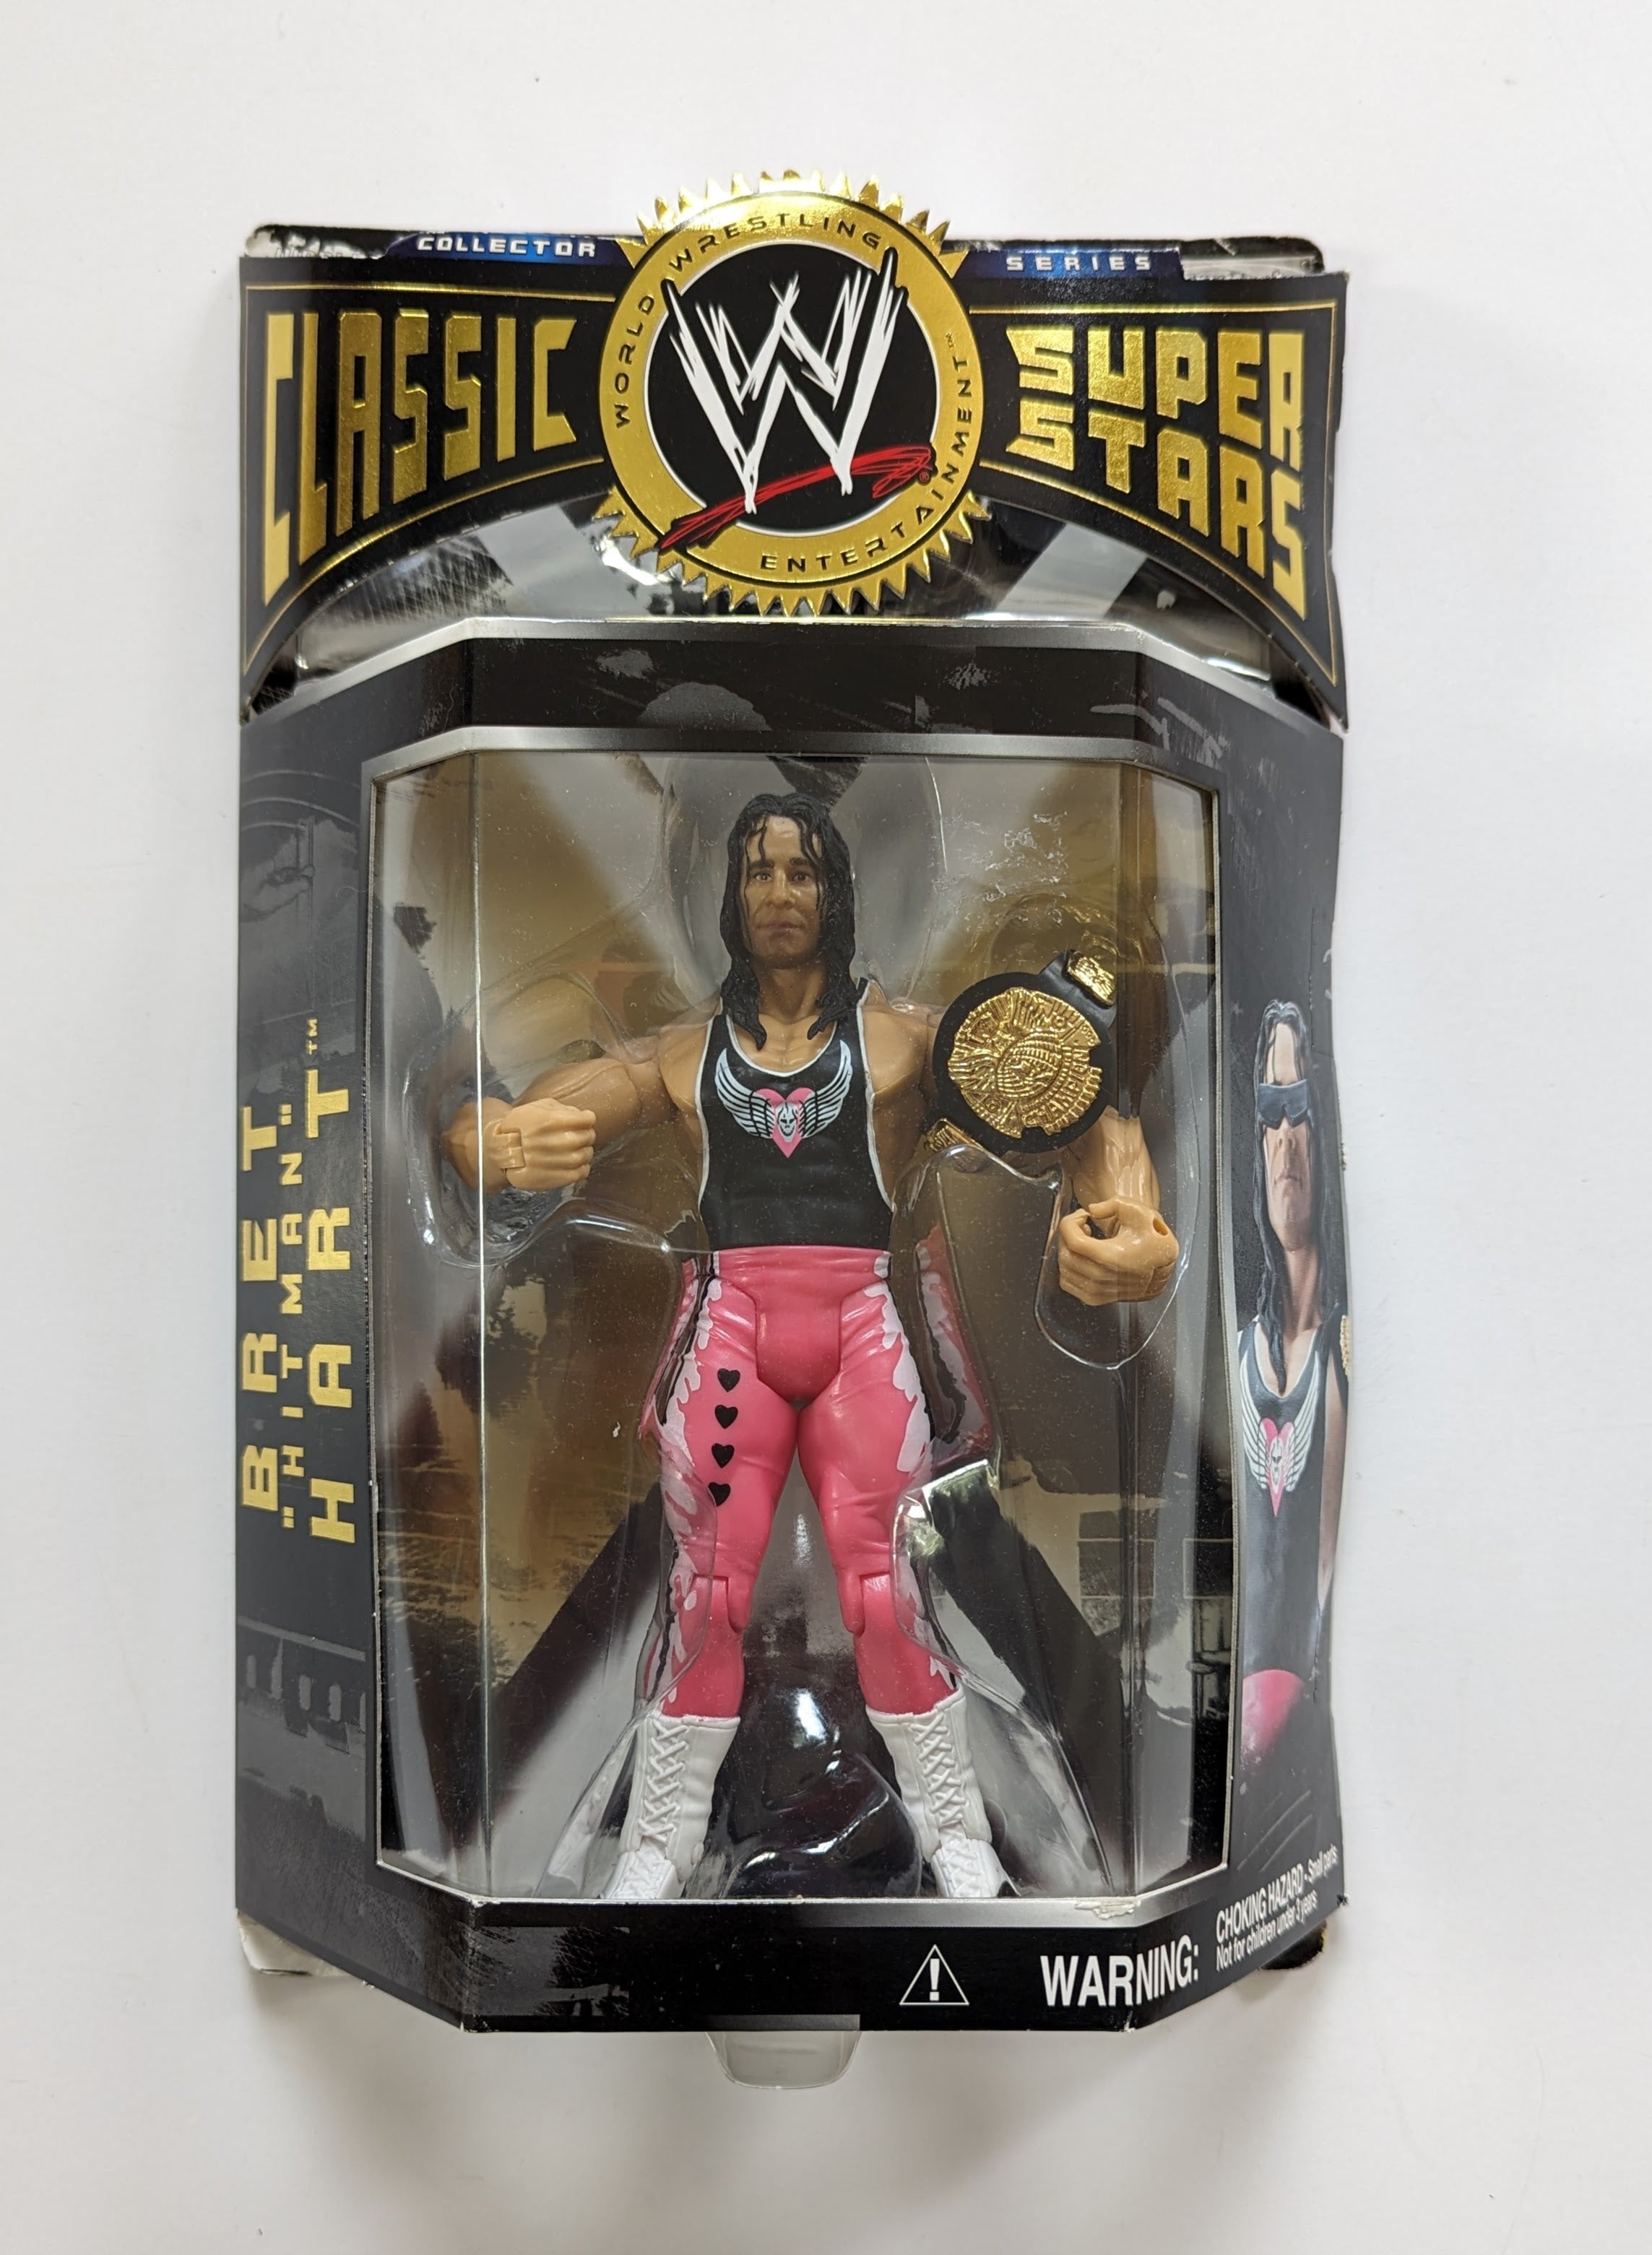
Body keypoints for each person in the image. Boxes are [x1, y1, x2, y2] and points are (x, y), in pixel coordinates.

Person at [446, 791, 1177, 1899]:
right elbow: (495, 1119)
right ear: (728, 892)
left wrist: (1135, 1228)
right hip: (731, 1326)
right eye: (759, 870)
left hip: (861, 1330)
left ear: (837, 891)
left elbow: (1075, 1103)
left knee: (885, 1587)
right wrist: (497, 1146)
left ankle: (958, 1837)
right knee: (706, 1596)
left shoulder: (908, 1040)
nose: (780, 892)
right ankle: (655, 1849)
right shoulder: (679, 1052)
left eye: (801, 871)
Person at [1235, 1000, 1349, 1769]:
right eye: (1269, 1113)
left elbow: (1333, 1567)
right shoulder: (1242, 1347)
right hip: (1236, 1718)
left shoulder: (1342, 1351)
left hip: (1308, 1720)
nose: (1284, 1139)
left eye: (1298, 1107)